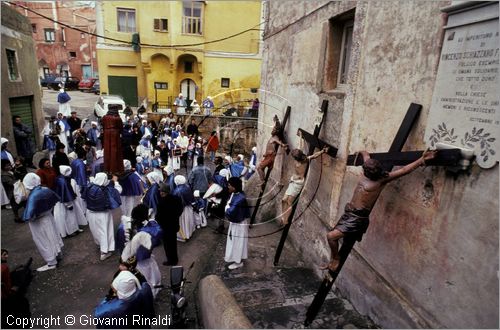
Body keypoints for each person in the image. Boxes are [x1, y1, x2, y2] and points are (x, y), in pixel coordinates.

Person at [322, 149, 438, 272]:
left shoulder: (382, 179)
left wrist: (421, 160)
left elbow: (404, 170)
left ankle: (335, 259)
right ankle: (334, 259)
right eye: (366, 170)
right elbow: (366, 154)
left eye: (370, 171)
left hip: (357, 218)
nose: (367, 172)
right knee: (341, 239)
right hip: (349, 213)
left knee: (331, 236)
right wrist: (360, 151)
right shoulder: (367, 167)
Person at [22, 173, 63, 272]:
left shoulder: (33, 196)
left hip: (39, 222)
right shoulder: (45, 189)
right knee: (53, 236)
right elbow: (55, 199)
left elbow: (29, 216)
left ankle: (51, 262)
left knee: (43, 241)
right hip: (48, 217)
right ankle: (58, 254)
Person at [119, 204, 163, 298]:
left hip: (129, 261)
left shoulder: (124, 227)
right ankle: (149, 294)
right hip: (143, 261)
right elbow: (157, 236)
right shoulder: (148, 230)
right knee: (149, 278)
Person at [281, 146, 329, 226]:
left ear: (297, 157)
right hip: (292, 180)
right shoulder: (296, 160)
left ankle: (286, 220)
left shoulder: (305, 160)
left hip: (298, 183)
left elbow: (314, 155)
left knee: (289, 202)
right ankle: (283, 215)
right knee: (283, 199)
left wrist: (322, 151)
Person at [84, 172, 121, 261]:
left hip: (90, 212)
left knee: (95, 230)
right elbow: (118, 191)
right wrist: (116, 182)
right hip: (103, 214)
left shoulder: (89, 187)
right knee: (105, 231)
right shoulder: (106, 190)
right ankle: (104, 251)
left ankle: (100, 244)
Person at [224, 177, 250, 270]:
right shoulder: (236, 194)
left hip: (238, 225)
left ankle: (238, 262)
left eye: (229, 185)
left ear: (234, 187)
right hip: (236, 223)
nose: (228, 187)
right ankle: (237, 258)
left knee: (237, 243)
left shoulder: (240, 199)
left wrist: (226, 207)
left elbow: (230, 212)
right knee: (235, 242)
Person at [53, 165, 85, 238]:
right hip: (65, 202)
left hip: (68, 201)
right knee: (67, 217)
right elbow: (64, 193)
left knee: (72, 216)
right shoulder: (62, 181)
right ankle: (70, 231)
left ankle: (75, 228)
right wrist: (68, 204)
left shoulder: (64, 178)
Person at [256, 115, 288, 186]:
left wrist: (284, 145)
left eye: (274, 130)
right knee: (261, 168)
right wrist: (276, 120)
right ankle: (263, 181)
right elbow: (277, 126)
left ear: (276, 132)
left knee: (259, 167)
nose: (272, 130)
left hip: (270, 157)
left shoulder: (275, 138)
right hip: (268, 156)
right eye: (273, 129)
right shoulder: (273, 137)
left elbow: (280, 143)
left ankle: (263, 181)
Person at [172, 175, 196, 241]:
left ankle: (184, 236)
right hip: (188, 208)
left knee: (182, 223)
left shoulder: (176, 190)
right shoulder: (187, 187)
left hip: (181, 210)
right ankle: (189, 233)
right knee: (188, 221)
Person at [102, 104, 124, 174]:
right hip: (115, 134)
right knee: (115, 151)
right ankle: (115, 169)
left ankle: (107, 169)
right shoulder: (117, 118)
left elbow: (102, 125)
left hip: (106, 133)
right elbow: (121, 128)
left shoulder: (105, 117)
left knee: (107, 150)